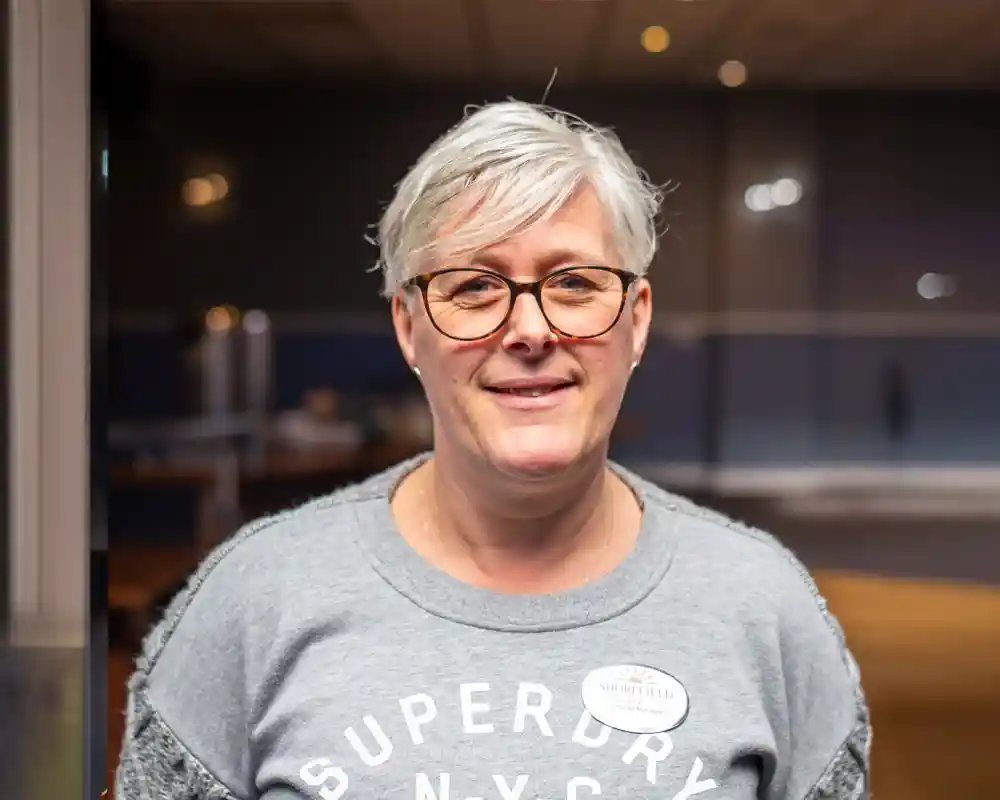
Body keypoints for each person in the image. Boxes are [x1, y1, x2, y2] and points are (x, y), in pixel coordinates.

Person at [115, 101, 870, 800]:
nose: (530, 330)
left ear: (635, 321)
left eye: (573, 282)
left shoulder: (764, 609)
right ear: (409, 326)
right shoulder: (253, 600)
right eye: (474, 286)